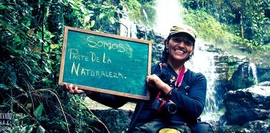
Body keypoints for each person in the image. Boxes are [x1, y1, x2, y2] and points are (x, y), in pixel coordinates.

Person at [64, 24, 207, 133]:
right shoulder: (146, 70)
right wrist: (89, 91)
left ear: (192, 49)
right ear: (167, 42)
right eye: (177, 39)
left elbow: (195, 109)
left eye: (187, 43)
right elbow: (116, 101)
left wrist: (163, 86)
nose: (181, 45)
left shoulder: (196, 79)